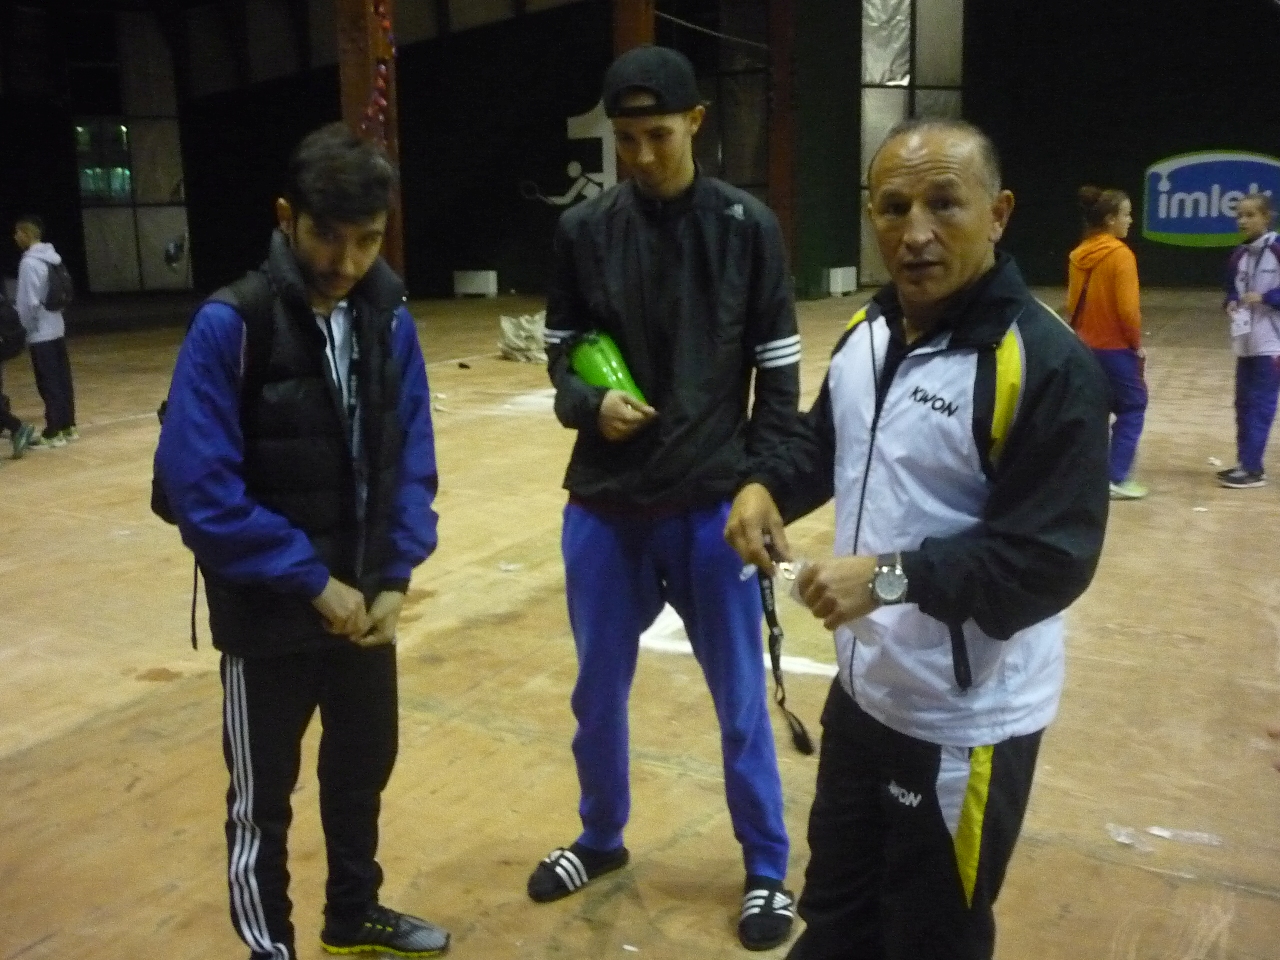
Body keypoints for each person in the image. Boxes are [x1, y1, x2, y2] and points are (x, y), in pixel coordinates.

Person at [725, 119, 1110, 960]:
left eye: (944, 203)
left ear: (998, 213)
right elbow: (826, 442)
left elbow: (1051, 560)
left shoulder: (1044, 365)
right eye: (894, 207)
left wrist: (889, 578)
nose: (917, 232)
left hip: (962, 721)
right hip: (867, 695)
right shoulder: (869, 333)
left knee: (931, 937)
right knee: (834, 917)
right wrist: (766, 487)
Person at [530, 44, 801, 953]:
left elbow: (780, 380)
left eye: (658, 135)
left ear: (695, 122)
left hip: (712, 509)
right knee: (596, 694)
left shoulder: (747, 228)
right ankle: (600, 838)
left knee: (739, 700)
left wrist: (763, 483)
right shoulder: (583, 231)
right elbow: (561, 353)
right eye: (626, 138)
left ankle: (766, 868)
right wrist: (588, 404)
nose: (641, 155)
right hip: (604, 507)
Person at [154, 123, 447, 960]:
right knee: (262, 803)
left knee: (360, 775)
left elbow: (411, 456)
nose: (347, 261)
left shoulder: (389, 321)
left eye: (368, 241)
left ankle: (353, 915)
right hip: (269, 619)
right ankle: (270, 949)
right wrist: (311, 580)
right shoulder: (232, 324)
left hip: (362, 613)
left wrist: (394, 576)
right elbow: (200, 490)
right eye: (327, 235)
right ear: (288, 217)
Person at [1064, 187, 1147, 500]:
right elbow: (1128, 310)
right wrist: (1135, 343)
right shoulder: (1121, 255)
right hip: (1115, 348)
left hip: (1083, 345)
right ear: (1111, 219)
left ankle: (1084, 474)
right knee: (1133, 406)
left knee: (1093, 410)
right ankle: (1116, 477)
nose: (1130, 220)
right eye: (1126, 214)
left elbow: (1071, 304)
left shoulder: (1078, 254)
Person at [1219, 193, 1280, 489]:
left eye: (1250, 215)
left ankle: (1253, 470)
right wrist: (1231, 302)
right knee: (1243, 404)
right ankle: (1246, 463)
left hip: (1273, 344)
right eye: (1239, 216)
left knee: (1260, 406)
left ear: (1266, 217)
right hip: (1245, 343)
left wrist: (1267, 297)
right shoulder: (1239, 255)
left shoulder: (1278, 249)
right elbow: (1232, 289)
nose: (1242, 221)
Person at [14, 215, 78, 448]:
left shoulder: (29, 263)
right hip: (57, 326)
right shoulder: (53, 258)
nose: (15, 237)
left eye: (17, 232)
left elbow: (28, 302)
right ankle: (68, 426)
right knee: (62, 379)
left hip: (40, 332)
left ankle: (53, 431)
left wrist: (25, 328)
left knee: (48, 382)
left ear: (26, 234)